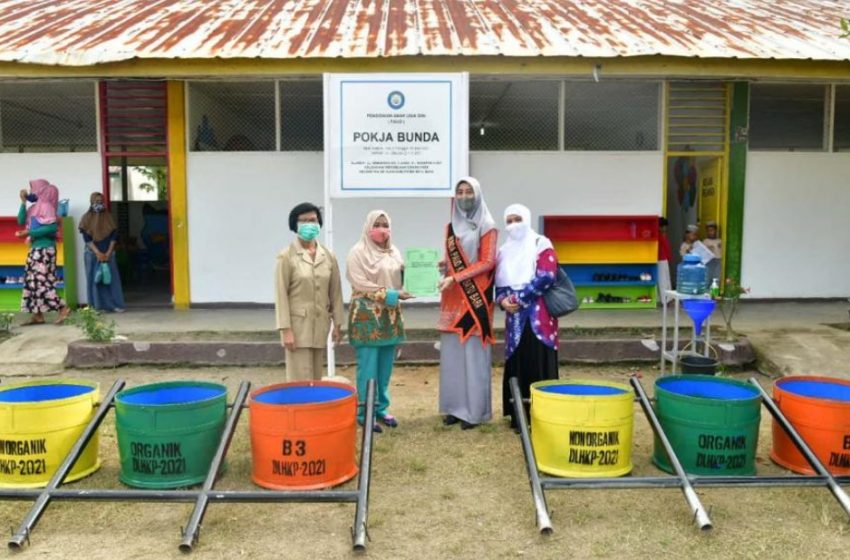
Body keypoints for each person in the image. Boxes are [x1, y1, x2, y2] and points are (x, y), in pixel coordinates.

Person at [438, 177, 498, 430]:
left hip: (477, 298)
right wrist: (445, 267)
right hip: (452, 297)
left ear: (478, 194)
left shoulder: (488, 225)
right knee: (452, 354)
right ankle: (454, 408)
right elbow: (453, 261)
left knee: (473, 355)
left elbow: (487, 262)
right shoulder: (450, 227)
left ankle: (474, 412)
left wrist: (456, 276)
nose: (464, 196)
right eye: (459, 192)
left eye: (468, 191)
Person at [495, 204, 559, 431]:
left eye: (518, 219)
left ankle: (542, 415)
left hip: (538, 316)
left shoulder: (540, 243)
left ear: (527, 219)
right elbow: (499, 285)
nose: (514, 225)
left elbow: (547, 276)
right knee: (518, 360)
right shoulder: (503, 251)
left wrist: (520, 299)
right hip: (514, 320)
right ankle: (518, 416)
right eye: (509, 220)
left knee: (538, 359)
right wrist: (502, 301)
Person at [346, 210, 411, 432]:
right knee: (368, 368)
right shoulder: (357, 252)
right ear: (368, 226)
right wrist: (393, 295)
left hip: (390, 316)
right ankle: (365, 411)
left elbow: (401, 278)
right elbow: (361, 284)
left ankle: (382, 408)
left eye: (385, 224)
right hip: (367, 318)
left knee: (385, 367)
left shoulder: (394, 252)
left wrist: (418, 276)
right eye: (377, 224)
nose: (382, 229)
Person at [275, 202, 345, 381]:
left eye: (313, 220)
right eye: (304, 221)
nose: (309, 225)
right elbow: (281, 295)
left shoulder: (328, 255)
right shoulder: (286, 256)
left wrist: (338, 323)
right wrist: (285, 330)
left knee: (315, 379)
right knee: (299, 380)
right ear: (295, 225)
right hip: (297, 328)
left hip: (320, 325)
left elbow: (335, 291)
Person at [15, 179, 71, 326]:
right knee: (31, 282)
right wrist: (23, 202)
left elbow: (52, 228)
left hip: (45, 249)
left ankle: (62, 307)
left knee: (41, 281)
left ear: (41, 190)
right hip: (35, 248)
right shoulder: (34, 208)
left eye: (33, 189)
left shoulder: (47, 207)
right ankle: (37, 314)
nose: (31, 192)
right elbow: (20, 220)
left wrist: (29, 231)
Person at [79, 192, 125, 312]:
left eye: (101, 202)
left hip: (108, 254)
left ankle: (114, 305)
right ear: (91, 202)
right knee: (94, 280)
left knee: (111, 280)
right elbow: (87, 239)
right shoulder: (86, 218)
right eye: (96, 202)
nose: (99, 204)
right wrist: (98, 253)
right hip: (91, 254)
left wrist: (108, 253)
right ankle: (96, 307)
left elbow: (114, 236)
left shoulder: (109, 217)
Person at [702, 220, 723, 287]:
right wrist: (708, 249)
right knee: (707, 278)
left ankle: (714, 293)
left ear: (716, 231)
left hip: (718, 261)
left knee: (716, 277)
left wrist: (721, 247)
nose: (710, 232)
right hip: (709, 262)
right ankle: (706, 293)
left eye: (712, 230)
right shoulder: (705, 241)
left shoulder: (720, 241)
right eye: (708, 231)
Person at [657, 217, 673, 301]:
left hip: (664, 259)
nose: (665, 228)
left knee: (666, 279)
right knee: (663, 280)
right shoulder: (659, 235)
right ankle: (665, 300)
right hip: (661, 259)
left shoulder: (662, 235)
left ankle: (668, 299)